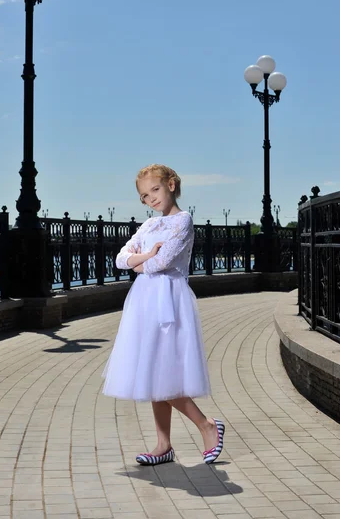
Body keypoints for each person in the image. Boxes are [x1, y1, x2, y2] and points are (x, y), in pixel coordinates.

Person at [101, 164, 225, 465]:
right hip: (144, 302)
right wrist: (144, 257)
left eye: (155, 190)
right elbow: (120, 259)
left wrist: (140, 263)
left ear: (171, 185)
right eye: (144, 196)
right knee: (152, 371)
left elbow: (163, 263)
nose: (151, 199)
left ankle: (207, 426)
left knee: (162, 371)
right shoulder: (147, 227)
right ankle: (163, 445)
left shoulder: (183, 221)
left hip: (168, 299)